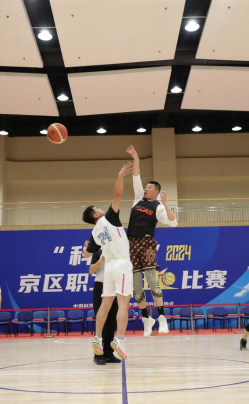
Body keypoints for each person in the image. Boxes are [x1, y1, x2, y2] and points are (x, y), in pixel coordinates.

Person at [82, 162, 134, 360]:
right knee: (123, 304)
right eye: (98, 208)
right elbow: (117, 195)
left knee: (105, 304)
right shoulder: (109, 218)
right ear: (96, 215)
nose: (101, 208)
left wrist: (85, 249)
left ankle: (97, 337)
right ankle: (119, 340)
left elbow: (88, 253)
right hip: (121, 263)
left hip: (109, 268)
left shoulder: (95, 232)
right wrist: (120, 176)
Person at [125, 144, 178, 337]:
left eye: (149, 187)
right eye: (145, 187)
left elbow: (174, 223)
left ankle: (162, 318)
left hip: (147, 243)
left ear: (156, 191)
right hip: (131, 244)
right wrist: (136, 158)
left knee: (152, 280)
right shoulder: (138, 198)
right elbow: (136, 176)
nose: (145, 188)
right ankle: (146, 319)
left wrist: (165, 204)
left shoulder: (159, 207)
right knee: (136, 285)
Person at [89, 250, 121, 365]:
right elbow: (91, 271)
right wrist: (101, 260)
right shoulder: (98, 251)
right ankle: (98, 354)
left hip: (114, 286)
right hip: (101, 285)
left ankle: (108, 353)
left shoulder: (118, 251)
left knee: (112, 320)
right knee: (103, 322)